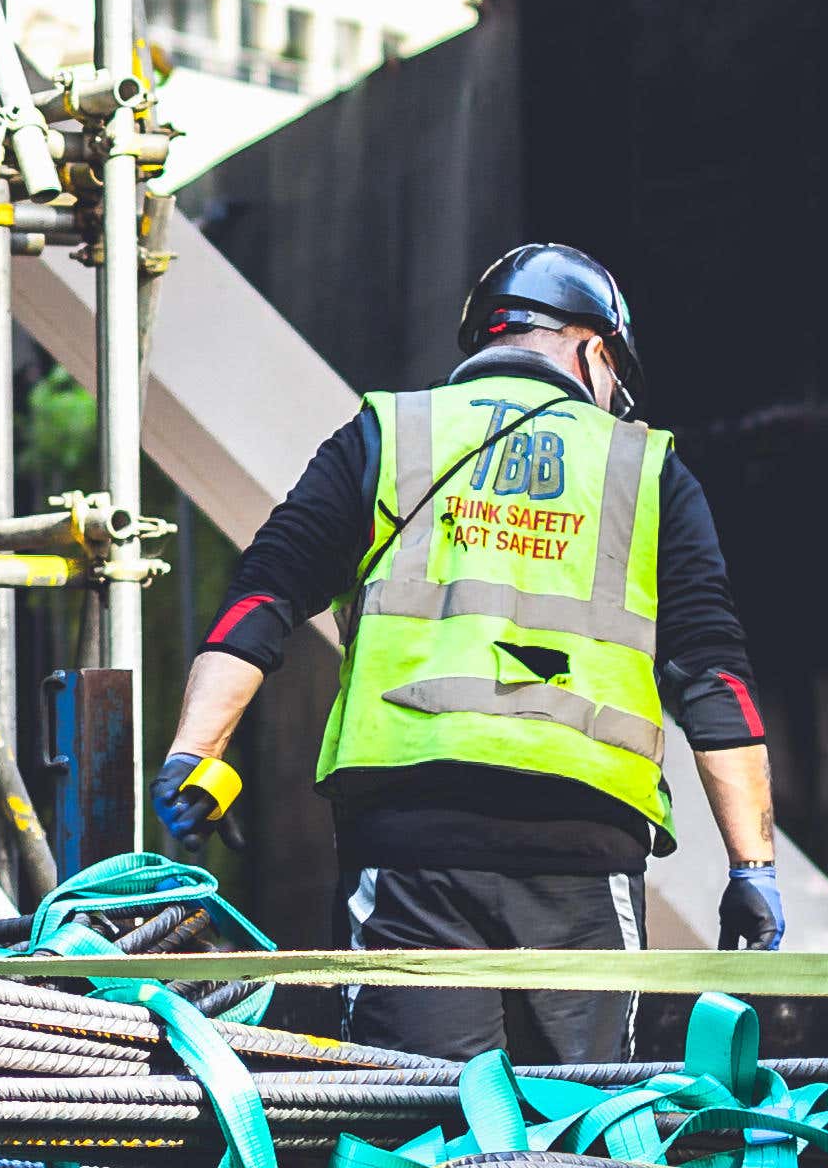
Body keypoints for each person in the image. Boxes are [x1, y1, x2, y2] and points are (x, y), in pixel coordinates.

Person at [153, 241, 789, 1067]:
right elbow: (713, 677)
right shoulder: (643, 466)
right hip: (581, 840)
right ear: (593, 350)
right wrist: (753, 867)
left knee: (414, 1127)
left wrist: (192, 753)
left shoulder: (388, 435)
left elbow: (261, 599)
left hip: (409, 841)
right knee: (584, 1134)